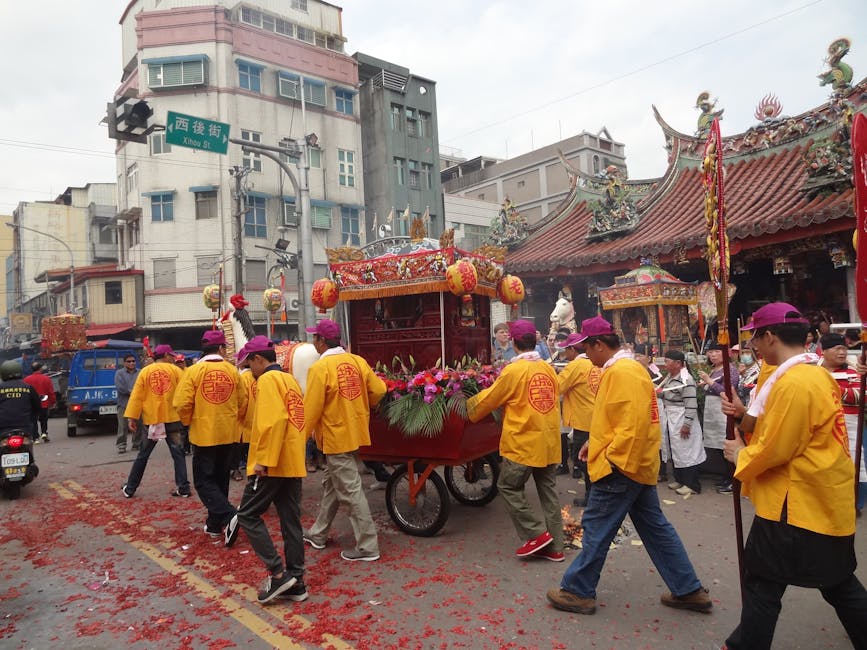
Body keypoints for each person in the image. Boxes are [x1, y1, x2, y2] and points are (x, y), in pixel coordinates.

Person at [722, 303, 867, 649]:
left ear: (770, 337)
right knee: (837, 583)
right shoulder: (811, 374)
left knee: (762, 584)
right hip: (818, 497)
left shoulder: (796, 382)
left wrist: (740, 454)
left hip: (795, 503)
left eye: (756, 337)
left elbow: (776, 448)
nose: (753, 346)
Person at [547, 316, 711, 616]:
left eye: (587, 348)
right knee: (655, 528)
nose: (586, 355)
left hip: (622, 466)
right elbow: (620, 420)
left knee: (597, 527)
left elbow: (632, 426)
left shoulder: (622, 372)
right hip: (636, 463)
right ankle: (688, 589)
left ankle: (577, 590)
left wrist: (611, 459)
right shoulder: (626, 369)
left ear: (599, 345)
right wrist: (593, 442)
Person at [467, 320, 564, 562]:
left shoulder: (514, 370)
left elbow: (490, 399)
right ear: (535, 341)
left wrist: (466, 405)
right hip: (549, 439)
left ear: (513, 342)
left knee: (508, 486)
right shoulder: (548, 369)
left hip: (524, 441)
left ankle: (536, 534)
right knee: (548, 491)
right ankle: (557, 548)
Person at [228, 336, 308, 604]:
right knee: (290, 520)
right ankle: (297, 580)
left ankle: (277, 573)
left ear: (258, 359)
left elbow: (273, 422)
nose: (248, 370)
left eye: (249, 363)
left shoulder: (267, 381)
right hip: (291, 459)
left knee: (247, 514)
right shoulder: (288, 379)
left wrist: (262, 460)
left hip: (273, 462)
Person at [302, 319, 387, 562]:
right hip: (355, 432)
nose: (313, 342)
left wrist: (298, 441)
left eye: (314, 338)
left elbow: (311, 410)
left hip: (335, 437)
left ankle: (368, 546)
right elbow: (379, 390)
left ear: (320, 341)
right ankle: (318, 533)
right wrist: (365, 406)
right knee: (333, 484)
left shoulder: (320, 368)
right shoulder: (356, 361)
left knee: (350, 491)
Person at [174, 330, 247, 537]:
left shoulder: (193, 371)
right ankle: (215, 525)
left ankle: (229, 515)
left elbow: (181, 403)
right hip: (229, 433)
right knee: (220, 478)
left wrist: (189, 421)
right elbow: (243, 402)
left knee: (204, 481)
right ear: (222, 348)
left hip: (204, 434)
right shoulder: (232, 371)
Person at [121, 345, 191, 499]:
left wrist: (132, 417)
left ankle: (130, 488)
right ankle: (183, 487)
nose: (173, 358)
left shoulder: (146, 372)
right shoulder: (176, 371)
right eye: (171, 355)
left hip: (152, 419)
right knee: (178, 454)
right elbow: (185, 394)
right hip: (173, 418)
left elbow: (137, 396)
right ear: (165, 355)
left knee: (143, 454)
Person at [818, 332, 867, 515]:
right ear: (824, 351)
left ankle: (853, 503)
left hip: (849, 425)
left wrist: (830, 386)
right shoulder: (814, 370)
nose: (842, 352)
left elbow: (859, 396)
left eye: (844, 348)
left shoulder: (852, 372)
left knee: (852, 463)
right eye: (837, 348)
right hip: (820, 425)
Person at [557, 332, 601, 506]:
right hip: (597, 417)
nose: (564, 355)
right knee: (592, 459)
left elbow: (557, 387)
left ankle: (593, 497)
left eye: (565, 350)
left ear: (571, 350)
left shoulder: (575, 366)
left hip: (584, 420)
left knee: (582, 460)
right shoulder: (594, 362)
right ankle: (593, 495)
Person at [658, 350, 705, 495]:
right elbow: (664, 392)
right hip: (672, 416)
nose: (665, 365)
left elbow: (691, 403)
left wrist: (687, 424)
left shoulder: (686, 380)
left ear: (678, 363)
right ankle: (680, 480)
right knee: (677, 449)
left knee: (687, 450)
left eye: (667, 361)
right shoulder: (670, 377)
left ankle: (692, 484)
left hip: (682, 416)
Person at [697, 344, 740, 494]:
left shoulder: (731, 370)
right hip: (712, 412)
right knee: (719, 447)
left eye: (717, 352)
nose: (713, 355)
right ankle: (726, 476)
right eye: (710, 352)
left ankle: (734, 480)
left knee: (728, 444)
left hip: (724, 411)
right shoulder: (714, 370)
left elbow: (728, 392)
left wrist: (709, 382)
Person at [0, 361, 41, 436]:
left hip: (3, 427)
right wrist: (31, 418)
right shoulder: (28, 387)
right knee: (28, 442)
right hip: (24, 425)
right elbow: (37, 406)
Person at [23, 361, 55, 443]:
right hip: (44, 402)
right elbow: (50, 392)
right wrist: (52, 402)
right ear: (40, 369)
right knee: (44, 419)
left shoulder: (26, 380)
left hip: (32, 404)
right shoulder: (46, 378)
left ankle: (35, 438)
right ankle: (44, 433)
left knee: (33, 421)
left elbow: (25, 393)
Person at [114, 354, 140, 453]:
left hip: (137, 404)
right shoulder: (119, 373)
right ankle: (122, 445)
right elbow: (120, 388)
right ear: (124, 363)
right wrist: (134, 392)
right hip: (124, 403)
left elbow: (143, 385)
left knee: (138, 425)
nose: (131, 363)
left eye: (133, 361)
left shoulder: (140, 372)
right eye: (129, 361)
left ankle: (136, 444)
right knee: (123, 425)